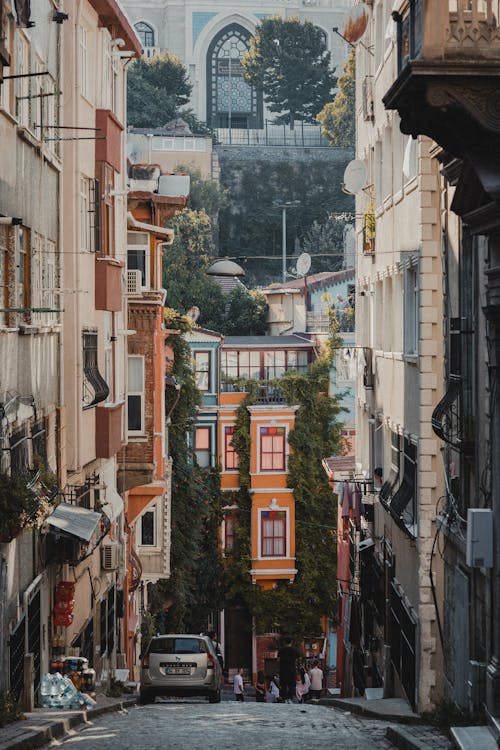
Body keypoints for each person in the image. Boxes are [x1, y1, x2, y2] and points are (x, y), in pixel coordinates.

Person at [278, 637, 300, 703]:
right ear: (291, 642)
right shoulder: (295, 651)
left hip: (283, 671)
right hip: (292, 670)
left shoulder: (281, 650)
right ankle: (290, 698)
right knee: (291, 685)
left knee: (283, 685)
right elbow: (298, 661)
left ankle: (284, 698)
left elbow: (278, 661)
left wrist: (278, 669)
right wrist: (297, 671)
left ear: (284, 642)